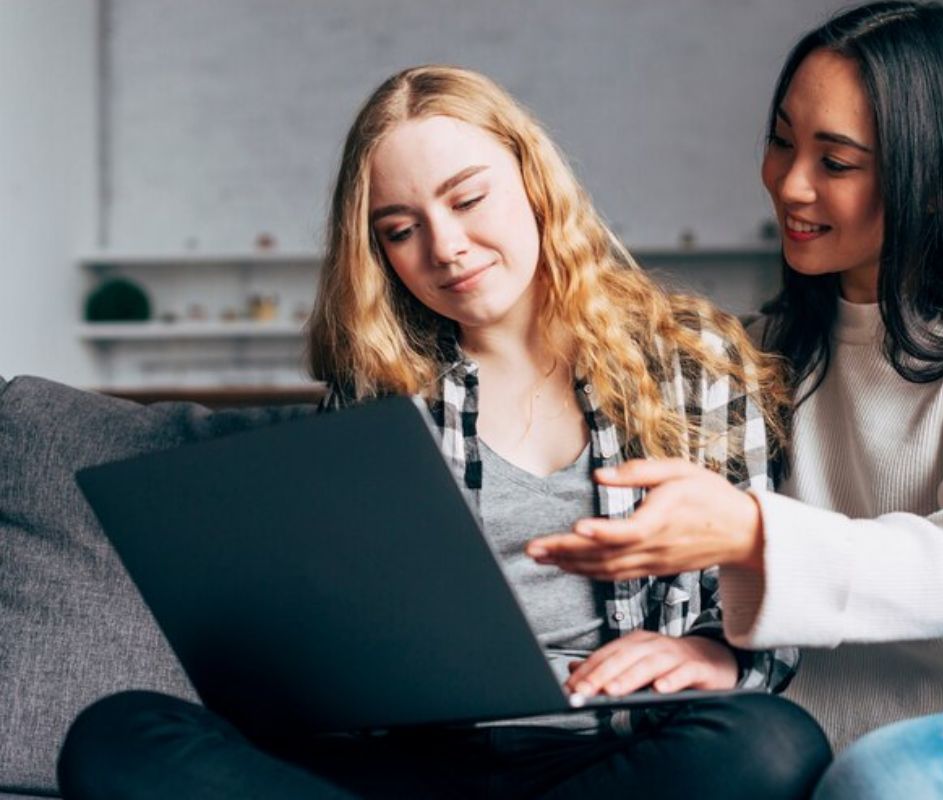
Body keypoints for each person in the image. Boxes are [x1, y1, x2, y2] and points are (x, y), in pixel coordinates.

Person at [55, 66, 831, 799]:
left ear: (535, 182)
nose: (445, 247)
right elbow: (339, 617)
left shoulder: (695, 360)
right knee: (116, 735)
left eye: (468, 200)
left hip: (604, 748)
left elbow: (765, 578)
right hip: (406, 758)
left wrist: (713, 655)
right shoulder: (380, 386)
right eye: (401, 229)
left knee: (774, 745)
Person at [528, 3, 943, 797]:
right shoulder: (761, 362)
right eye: (782, 140)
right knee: (876, 784)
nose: (790, 182)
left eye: (836, 162)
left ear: (933, 181)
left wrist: (749, 533)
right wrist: (724, 652)